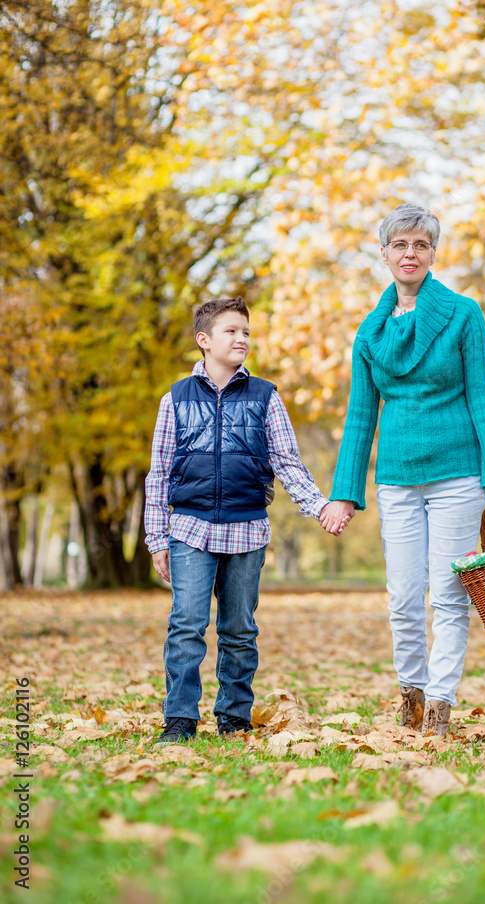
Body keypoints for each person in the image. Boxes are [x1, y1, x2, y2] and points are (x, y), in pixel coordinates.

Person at [321, 204, 485, 736]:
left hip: (457, 474)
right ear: (384, 254)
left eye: (421, 245)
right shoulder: (369, 334)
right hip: (396, 480)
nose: (410, 254)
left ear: (433, 253)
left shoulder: (463, 314)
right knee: (404, 598)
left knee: (449, 595)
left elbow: (484, 396)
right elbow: (360, 418)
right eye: (400, 245)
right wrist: (344, 493)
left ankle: (439, 705)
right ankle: (409, 692)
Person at [145, 296, 348, 743]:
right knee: (186, 626)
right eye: (231, 331)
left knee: (239, 629)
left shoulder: (265, 397)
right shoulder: (174, 399)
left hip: (247, 530)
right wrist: (156, 538)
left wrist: (319, 507)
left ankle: (233, 716)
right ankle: (179, 719)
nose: (241, 339)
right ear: (204, 340)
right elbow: (159, 472)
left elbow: (288, 462)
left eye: (246, 332)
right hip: (189, 530)